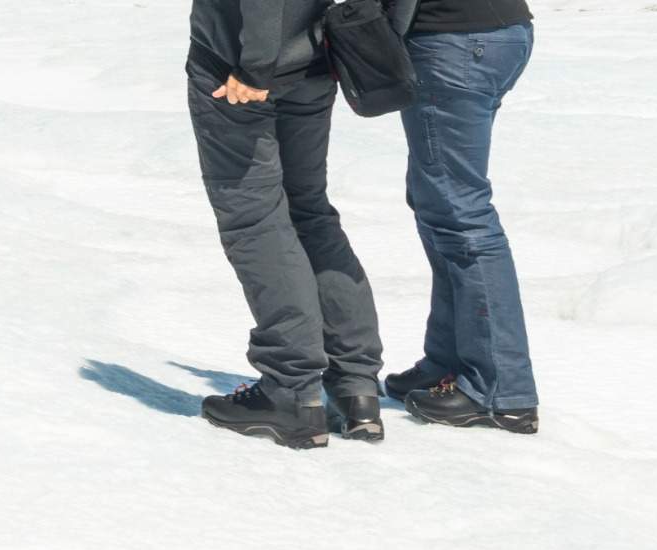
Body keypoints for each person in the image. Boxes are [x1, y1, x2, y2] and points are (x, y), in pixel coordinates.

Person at [185, 0, 387, 448]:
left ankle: (291, 392)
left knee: (255, 220)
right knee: (308, 212)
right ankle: (356, 386)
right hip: (313, 60)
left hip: (242, 72)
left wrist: (257, 65)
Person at [383, 0, 540, 434]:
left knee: (460, 211)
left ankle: (500, 391)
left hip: (455, 42)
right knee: (436, 200)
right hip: (494, 34)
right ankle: (448, 362)